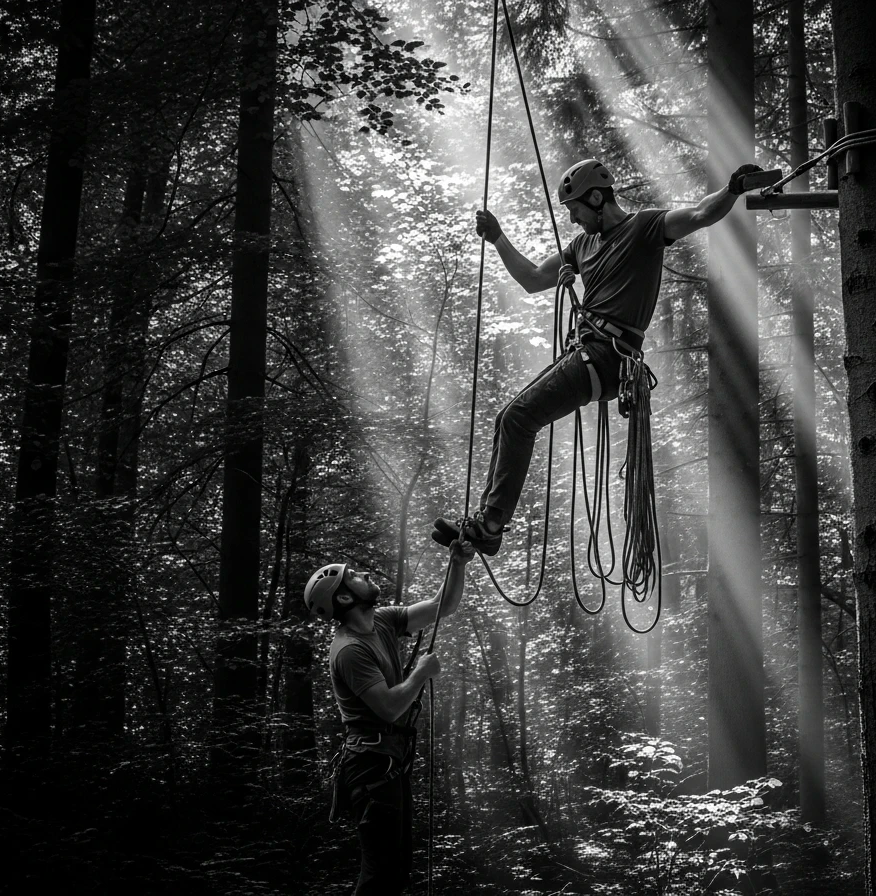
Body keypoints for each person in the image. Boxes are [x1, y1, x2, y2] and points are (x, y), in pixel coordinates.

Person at [434, 158, 763, 555]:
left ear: (595, 198)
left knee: (518, 418)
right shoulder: (582, 246)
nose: (573, 219)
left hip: (607, 357)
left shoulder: (645, 228)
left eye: (575, 210)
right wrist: (498, 238)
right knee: (509, 418)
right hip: (585, 353)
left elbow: (699, 214)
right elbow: (533, 279)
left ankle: (490, 526)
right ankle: (488, 523)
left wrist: (732, 188)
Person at [305, 538, 475, 895]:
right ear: (345, 598)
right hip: (370, 766)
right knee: (379, 877)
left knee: (395, 874)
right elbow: (389, 707)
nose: (365, 575)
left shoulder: (380, 620)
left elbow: (440, 607)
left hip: (386, 762)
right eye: (354, 576)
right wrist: (421, 673)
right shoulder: (349, 650)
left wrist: (457, 564)